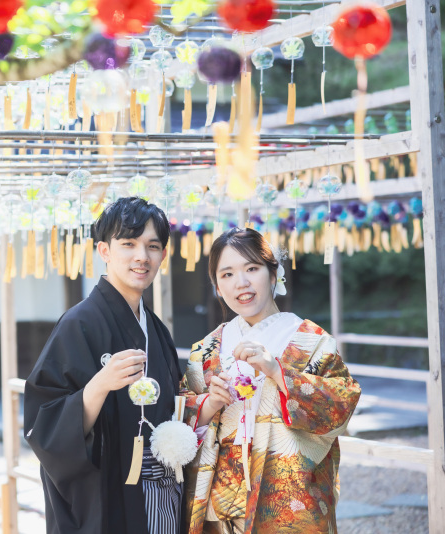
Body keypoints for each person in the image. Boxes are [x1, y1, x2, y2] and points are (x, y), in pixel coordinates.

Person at [180, 228, 361, 534]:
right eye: (227, 274)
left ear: (273, 274)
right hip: (220, 503)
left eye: (252, 268)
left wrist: (277, 371)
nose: (241, 283)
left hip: (289, 501)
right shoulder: (205, 350)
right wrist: (209, 404)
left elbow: (342, 402)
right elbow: (179, 416)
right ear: (217, 286)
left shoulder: (310, 341)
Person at [24, 197, 185, 534]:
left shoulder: (155, 329)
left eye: (152, 246)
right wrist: (100, 384)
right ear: (104, 251)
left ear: (163, 256)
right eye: (128, 243)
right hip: (106, 497)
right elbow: (44, 424)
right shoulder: (78, 323)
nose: (142, 256)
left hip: (160, 496)